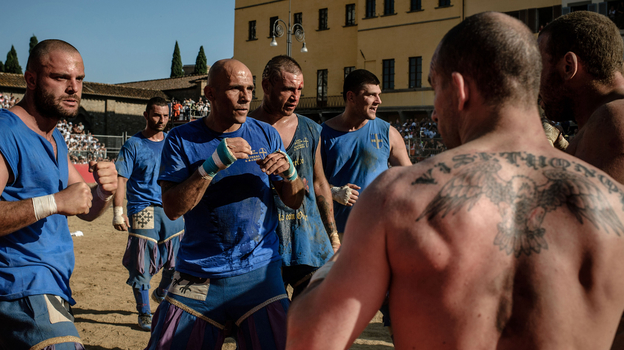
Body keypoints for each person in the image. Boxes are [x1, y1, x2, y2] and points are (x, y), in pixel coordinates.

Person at [287, 12, 624, 350]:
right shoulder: (613, 202)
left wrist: (340, 260)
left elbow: (310, 337)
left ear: (460, 90)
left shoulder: (399, 198)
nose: (434, 112)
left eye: (436, 90)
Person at [145, 59, 304, 350]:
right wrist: (211, 165)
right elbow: (172, 208)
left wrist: (290, 172)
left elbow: (293, 201)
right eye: (235, 89)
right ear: (210, 94)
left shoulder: (266, 134)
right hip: (198, 272)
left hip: (259, 273)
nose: (245, 97)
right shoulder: (181, 139)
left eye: (249, 89)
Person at [0, 40, 117, 349]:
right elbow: (62, 201)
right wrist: (54, 202)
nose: (73, 88)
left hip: (52, 284)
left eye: (78, 79)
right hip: (20, 285)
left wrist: (103, 192)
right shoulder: (6, 131)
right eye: (61, 77)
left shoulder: (55, 139)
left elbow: (85, 207)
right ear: (31, 79)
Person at [249, 55, 340, 299]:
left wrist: (333, 236)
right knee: (270, 326)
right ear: (266, 86)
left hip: (308, 242)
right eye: (288, 89)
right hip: (262, 243)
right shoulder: (245, 129)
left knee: (309, 322)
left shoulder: (311, 129)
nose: (295, 96)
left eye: (299, 89)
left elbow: (320, 183)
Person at [112, 97, 185, 331]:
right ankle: (144, 312)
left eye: (165, 115)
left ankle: (162, 293)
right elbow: (120, 180)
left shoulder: (173, 142)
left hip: (172, 207)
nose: (161, 120)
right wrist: (118, 212)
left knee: (178, 259)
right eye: (156, 115)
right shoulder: (133, 145)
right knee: (141, 261)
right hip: (143, 209)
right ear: (146, 115)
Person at [320, 69, 411, 239]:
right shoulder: (322, 134)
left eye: (379, 94)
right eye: (371, 95)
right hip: (334, 235)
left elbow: (410, 180)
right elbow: (309, 181)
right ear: (351, 97)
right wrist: (334, 192)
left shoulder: (388, 133)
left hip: (378, 231)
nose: (379, 101)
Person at [538, 11, 624, 183]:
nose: (534, 83)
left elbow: (582, 207)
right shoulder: (602, 120)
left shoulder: (611, 118)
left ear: (568, 66)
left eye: (538, 68)